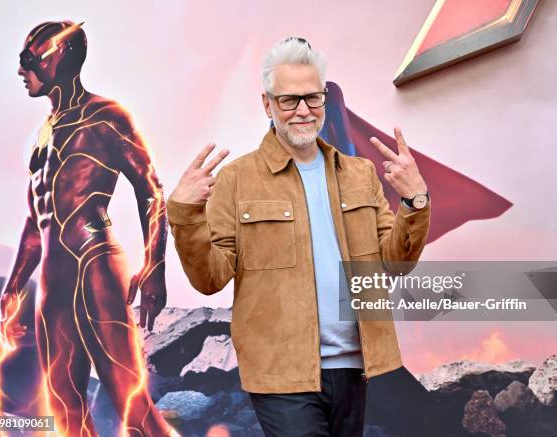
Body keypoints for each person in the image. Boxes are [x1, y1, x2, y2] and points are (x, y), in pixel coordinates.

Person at [167, 37, 431, 436]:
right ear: (267, 104)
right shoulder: (237, 180)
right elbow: (210, 279)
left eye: (313, 97)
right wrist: (185, 214)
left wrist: (414, 200)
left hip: (356, 367)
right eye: (289, 100)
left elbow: (394, 263)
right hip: (281, 375)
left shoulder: (360, 174)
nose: (303, 110)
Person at [0, 21, 176, 436]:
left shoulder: (106, 117)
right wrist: (13, 287)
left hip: (95, 261)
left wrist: (155, 266)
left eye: (27, 61)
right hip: (53, 280)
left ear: (54, 58)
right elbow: (34, 219)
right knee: (64, 408)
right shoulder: (41, 136)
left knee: (130, 398)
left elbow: (150, 190)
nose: (21, 72)